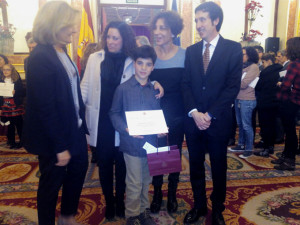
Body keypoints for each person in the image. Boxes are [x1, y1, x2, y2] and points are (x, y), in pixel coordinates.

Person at [80, 21, 163, 220]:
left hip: (127, 122)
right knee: (105, 164)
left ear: (124, 38)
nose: (111, 41)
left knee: (125, 165)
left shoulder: (130, 58)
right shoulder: (94, 58)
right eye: (108, 37)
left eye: (115, 37)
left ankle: (120, 202)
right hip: (101, 121)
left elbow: (142, 76)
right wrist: (77, 113)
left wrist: (155, 82)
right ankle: (110, 202)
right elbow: (84, 87)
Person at [23, 2, 88, 225]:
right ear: (53, 25)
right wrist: (60, 146)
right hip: (54, 135)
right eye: (68, 25)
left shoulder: (62, 50)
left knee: (80, 168)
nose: (73, 29)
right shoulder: (40, 57)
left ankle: (67, 216)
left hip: (74, 128)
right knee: (51, 182)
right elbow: (46, 108)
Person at [181, 2, 243, 225]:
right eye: (196, 20)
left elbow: (232, 86)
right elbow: (185, 84)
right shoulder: (191, 51)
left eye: (202, 20)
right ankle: (199, 206)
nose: (198, 25)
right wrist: (195, 113)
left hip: (217, 122)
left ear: (215, 20)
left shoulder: (233, 49)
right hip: (194, 121)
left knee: (219, 167)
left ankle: (217, 208)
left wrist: (210, 114)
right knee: (195, 165)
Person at [110, 45, 161, 225]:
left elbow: (157, 114)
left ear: (153, 67)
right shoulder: (123, 89)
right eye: (140, 63)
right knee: (133, 182)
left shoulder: (154, 90)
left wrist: (160, 128)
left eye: (148, 64)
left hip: (150, 144)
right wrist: (126, 129)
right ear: (134, 64)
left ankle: (143, 211)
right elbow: (114, 113)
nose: (143, 68)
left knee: (146, 179)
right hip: (131, 144)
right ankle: (131, 214)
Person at [148, 10, 185, 214]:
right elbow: (141, 78)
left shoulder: (185, 54)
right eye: (156, 27)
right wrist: (153, 80)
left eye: (163, 28)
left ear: (173, 31)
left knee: (173, 154)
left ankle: (172, 194)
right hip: (153, 115)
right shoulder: (150, 54)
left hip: (177, 115)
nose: (158, 31)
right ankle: (157, 194)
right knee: (156, 155)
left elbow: (188, 86)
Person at [272, 37, 300, 171]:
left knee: (289, 132)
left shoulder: (294, 64)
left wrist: (281, 84)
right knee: (290, 131)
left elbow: (286, 85)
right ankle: (286, 157)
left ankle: (289, 160)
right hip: (296, 101)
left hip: (289, 101)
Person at [228, 47, 259, 158]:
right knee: (240, 124)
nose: (241, 56)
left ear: (250, 55)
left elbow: (243, 84)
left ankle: (249, 148)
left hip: (247, 100)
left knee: (246, 125)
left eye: (244, 54)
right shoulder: (242, 67)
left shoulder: (253, 67)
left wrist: (233, 82)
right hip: (238, 98)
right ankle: (241, 144)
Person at [254, 53, 282, 157]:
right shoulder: (281, 69)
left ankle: (266, 148)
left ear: (269, 61)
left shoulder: (265, 72)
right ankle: (270, 146)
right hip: (276, 102)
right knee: (272, 125)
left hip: (265, 102)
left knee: (265, 126)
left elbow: (258, 86)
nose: (263, 64)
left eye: (264, 62)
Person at [0, 64, 25, 149]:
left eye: (8, 70)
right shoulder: (1, 80)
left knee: (19, 124)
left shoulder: (16, 80)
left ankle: (22, 141)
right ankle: (11, 142)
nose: (5, 71)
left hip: (15, 104)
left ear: (12, 71)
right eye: (4, 70)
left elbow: (22, 92)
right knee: (9, 125)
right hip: (5, 105)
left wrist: (16, 92)